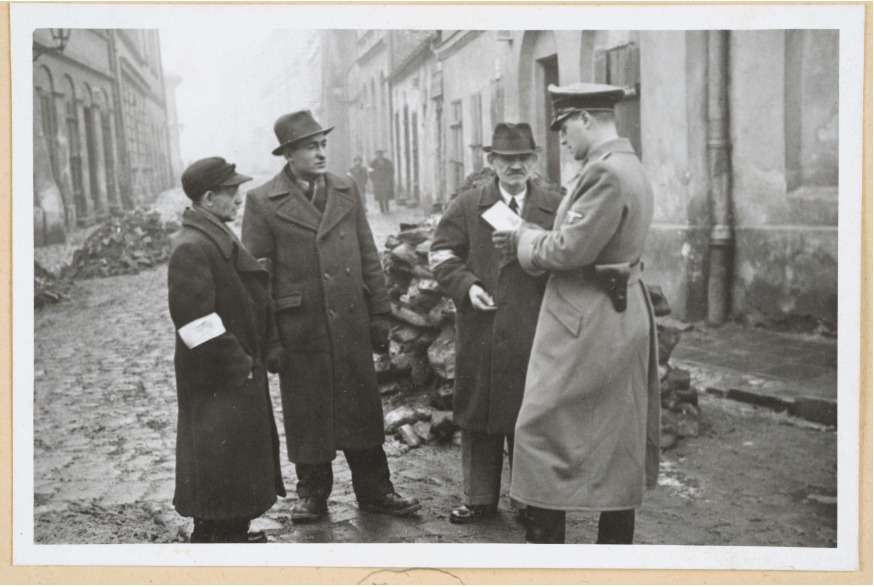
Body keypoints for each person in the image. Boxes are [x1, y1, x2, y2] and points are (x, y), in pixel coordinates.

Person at [493, 83, 660, 544]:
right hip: (617, 313)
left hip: (586, 321)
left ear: (586, 118)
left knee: (540, 433)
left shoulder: (604, 174)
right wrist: (534, 231)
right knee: (614, 441)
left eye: (566, 127)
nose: (563, 139)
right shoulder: (627, 166)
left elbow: (570, 249)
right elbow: (590, 238)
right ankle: (612, 556)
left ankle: (547, 557)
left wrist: (522, 241)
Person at [242, 110, 420, 523]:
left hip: (350, 321)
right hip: (301, 326)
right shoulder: (263, 201)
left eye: (323, 144)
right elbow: (257, 278)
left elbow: (367, 252)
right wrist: (268, 339)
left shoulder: (346, 187)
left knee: (360, 406)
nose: (321, 152)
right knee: (309, 412)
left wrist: (379, 312)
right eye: (310, 146)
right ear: (288, 153)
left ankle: (376, 489)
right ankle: (313, 494)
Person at [429, 123, 561, 525]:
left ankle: (529, 498)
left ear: (534, 161)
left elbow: (570, 255)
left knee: (532, 415)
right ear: (492, 162)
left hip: (536, 326)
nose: (516, 166)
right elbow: (441, 254)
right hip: (482, 326)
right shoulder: (470, 204)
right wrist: (466, 287)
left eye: (523, 158)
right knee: (479, 414)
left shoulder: (556, 205)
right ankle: (479, 497)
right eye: (507, 159)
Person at [168, 156, 286, 543]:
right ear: (207, 197)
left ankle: (233, 530)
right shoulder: (193, 246)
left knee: (234, 466)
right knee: (219, 472)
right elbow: (195, 323)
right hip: (218, 378)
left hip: (233, 376)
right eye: (230, 192)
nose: (238, 198)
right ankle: (215, 539)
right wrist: (241, 365)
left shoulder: (215, 233)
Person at [369, 149, 394, 214]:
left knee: (387, 194)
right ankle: (382, 208)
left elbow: (392, 170)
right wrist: (374, 180)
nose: (379, 156)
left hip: (386, 180)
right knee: (379, 195)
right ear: (376, 155)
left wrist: (390, 178)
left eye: (381, 154)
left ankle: (387, 207)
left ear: (382, 155)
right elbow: (370, 172)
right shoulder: (372, 163)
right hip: (377, 181)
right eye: (378, 154)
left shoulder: (388, 162)